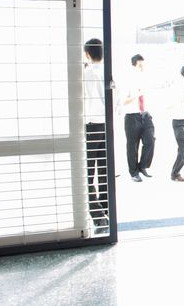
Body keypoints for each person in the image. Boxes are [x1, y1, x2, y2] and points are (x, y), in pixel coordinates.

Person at [83, 38, 108, 234]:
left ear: (87, 54)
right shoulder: (108, 72)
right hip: (106, 125)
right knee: (104, 172)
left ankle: (99, 217)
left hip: (91, 126)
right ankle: (105, 210)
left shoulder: (86, 74)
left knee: (88, 173)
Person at [122, 54, 155, 182]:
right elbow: (123, 101)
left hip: (145, 115)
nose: (144, 66)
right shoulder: (127, 79)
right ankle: (134, 172)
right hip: (132, 116)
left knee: (150, 140)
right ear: (136, 63)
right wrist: (137, 94)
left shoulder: (144, 78)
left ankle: (142, 166)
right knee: (132, 146)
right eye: (142, 64)